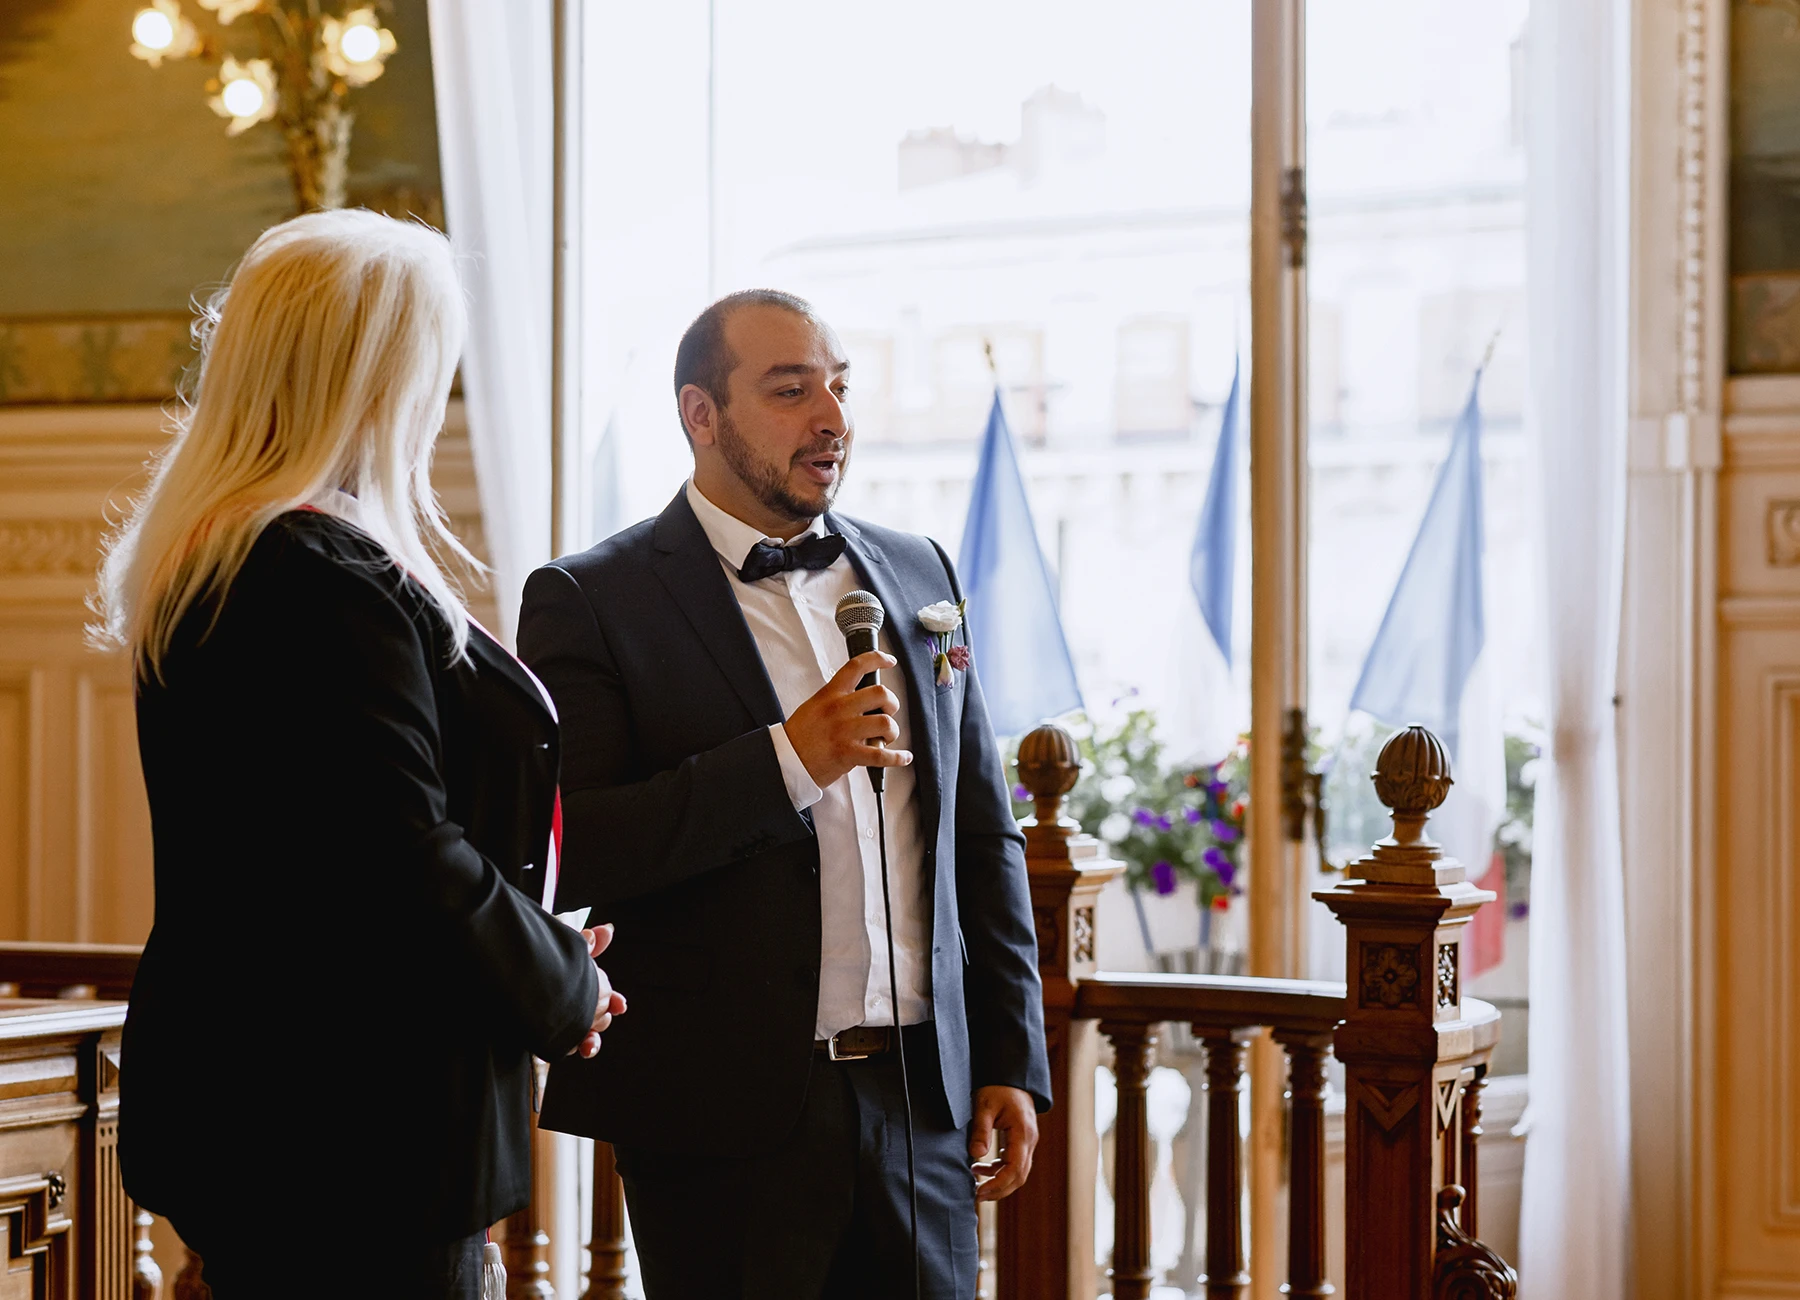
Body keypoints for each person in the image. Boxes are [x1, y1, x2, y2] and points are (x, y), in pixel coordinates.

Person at [95, 210, 623, 1298]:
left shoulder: (229, 554)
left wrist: (535, 945)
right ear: (373, 374)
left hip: (295, 1120)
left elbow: (333, 852)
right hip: (360, 1133)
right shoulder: (311, 573)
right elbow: (400, 855)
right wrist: (561, 981)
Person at [518, 289, 1050, 1299]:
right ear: (700, 413)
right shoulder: (591, 597)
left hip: (922, 1107)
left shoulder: (919, 571)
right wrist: (788, 761)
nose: (833, 419)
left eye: (840, 387)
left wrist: (1010, 1054)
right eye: (791, 390)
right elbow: (574, 848)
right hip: (722, 1126)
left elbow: (982, 832)